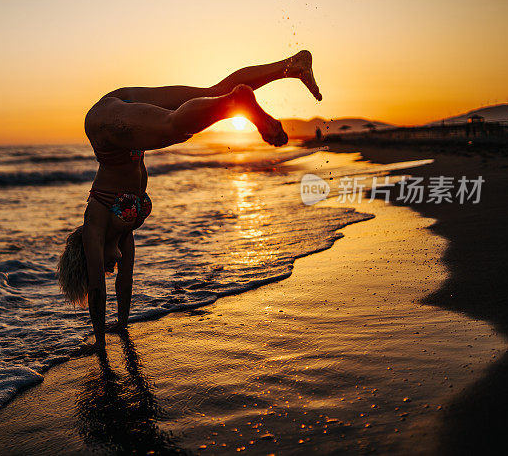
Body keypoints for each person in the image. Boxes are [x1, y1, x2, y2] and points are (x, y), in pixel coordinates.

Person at [57, 50, 322, 354]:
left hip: (102, 126)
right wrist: (122, 324)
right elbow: (124, 282)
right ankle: (291, 66)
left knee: (175, 126)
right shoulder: (123, 232)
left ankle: (237, 102)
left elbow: (96, 289)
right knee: (209, 98)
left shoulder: (95, 222)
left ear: (85, 255)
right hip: (121, 105)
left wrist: (100, 343)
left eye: (103, 265)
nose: (108, 268)